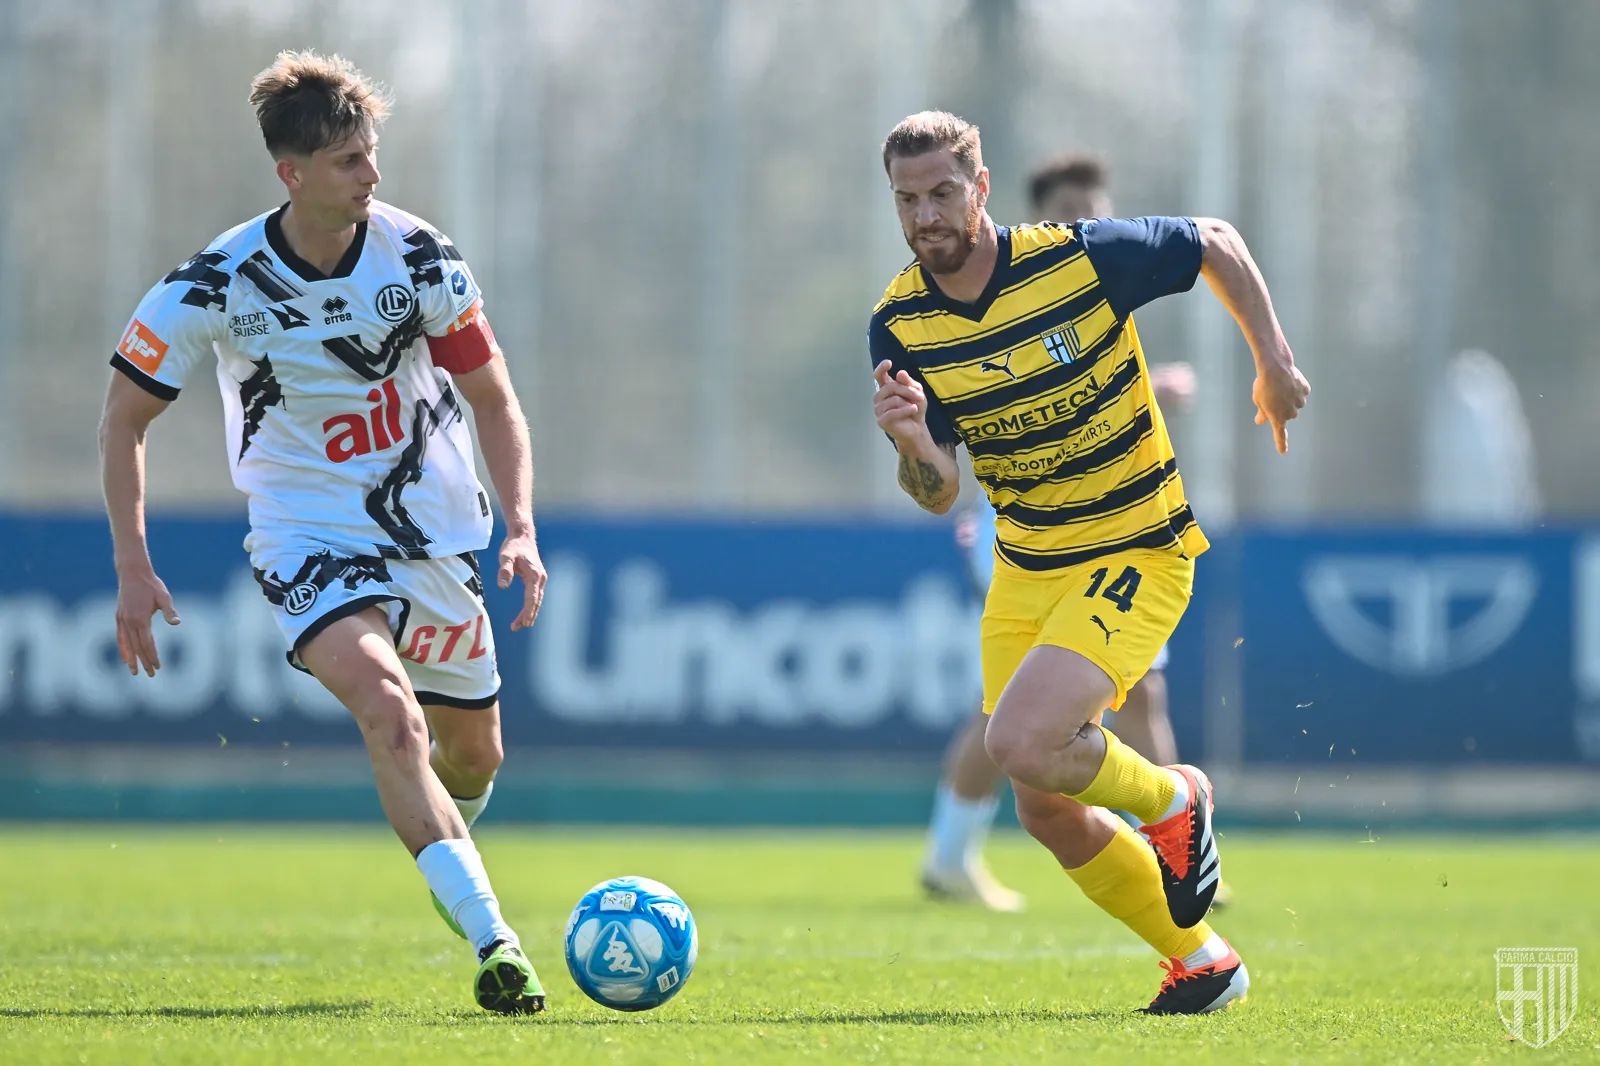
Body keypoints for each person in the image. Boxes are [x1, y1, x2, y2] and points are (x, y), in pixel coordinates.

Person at [98, 52, 547, 1015]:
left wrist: (519, 526)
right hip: (306, 538)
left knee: (473, 758)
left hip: (433, 533)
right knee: (391, 712)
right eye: (349, 160)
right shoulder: (216, 283)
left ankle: (442, 845)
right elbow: (124, 418)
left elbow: (493, 399)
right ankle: (495, 940)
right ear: (291, 174)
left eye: (372, 153)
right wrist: (133, 566)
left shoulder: (420, 258)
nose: (372, 174)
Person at [871, 112, 1308, 1014]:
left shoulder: (1076, 258)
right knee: (1043, 804)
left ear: (981, 188)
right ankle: (1204, 963)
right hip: (1027, 566)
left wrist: (1272, 360)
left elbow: (1216, 241)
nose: (926, 216)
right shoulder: (900, 323)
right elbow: (939, 492)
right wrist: (914, 446)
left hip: (1137, 546)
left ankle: (1175, 800)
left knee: (1019, 742)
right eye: (908, 200)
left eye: (943, 193)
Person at [922, 155, 1203, 911]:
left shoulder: (1090, 280)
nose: (1085, 224)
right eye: (1070, 212)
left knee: (1118, 698)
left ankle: (1171, 841)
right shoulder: (1011, 287)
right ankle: (1170, 832)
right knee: (1015, 716)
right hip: (1028, 537)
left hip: (1101, 531)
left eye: (1095, 211)